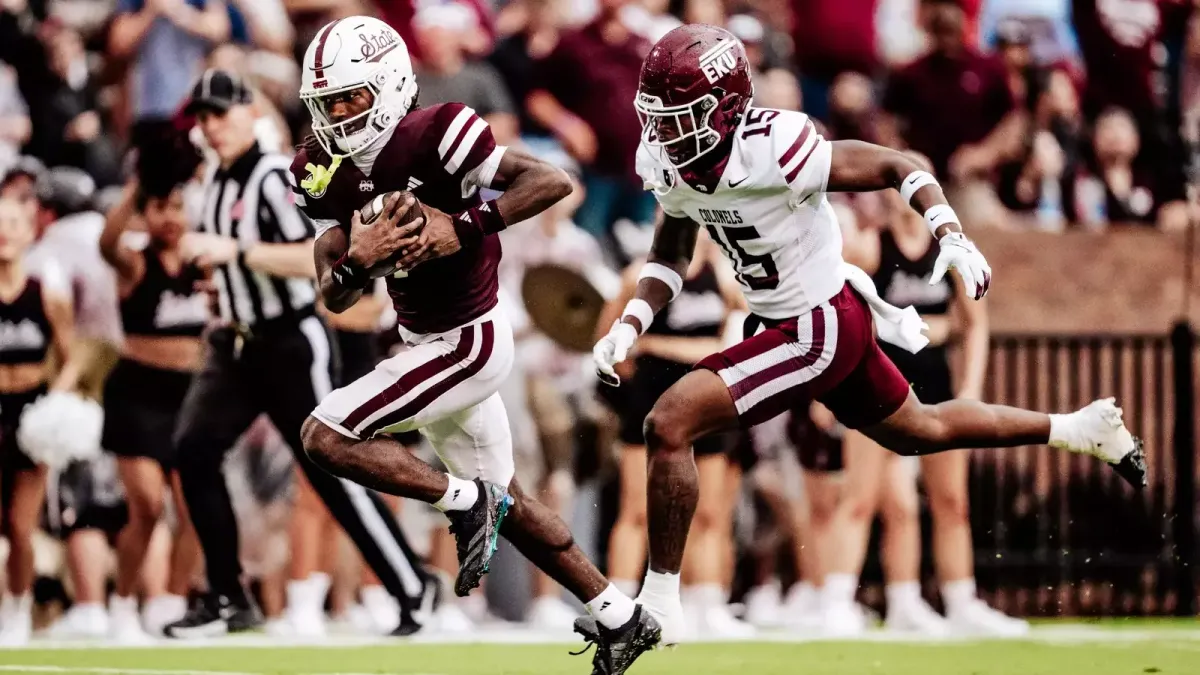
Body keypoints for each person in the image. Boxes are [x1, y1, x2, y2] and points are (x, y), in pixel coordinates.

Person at [590, 24, 1147, 644]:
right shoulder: (672, 162)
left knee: (669, 421)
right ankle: (1077, 428)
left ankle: (661, 605)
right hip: (802, 321)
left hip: (817, 324)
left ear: (724, 108)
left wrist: (951, 234)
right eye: (658, 117)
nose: (665, 132)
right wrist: (632, 322)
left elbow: (894, 164)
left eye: (680, 116)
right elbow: (671, 250)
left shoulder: (775, 145)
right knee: (920, 430)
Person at [293, 17, 660, 673]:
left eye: (351, 98)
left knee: (325, 434)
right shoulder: (319, 166)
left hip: (468, 339)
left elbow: (549, 180)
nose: (339, 115)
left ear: (389, 84)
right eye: (327, 103)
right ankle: (620, 614)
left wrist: (463, 227)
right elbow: (334, 294)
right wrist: (360, 260)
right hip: (423, 338)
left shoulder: (439, 132)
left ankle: (464, 502)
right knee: (510, 500)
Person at [164, 68, 433, 639]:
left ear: (250, 111)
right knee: (191, 452)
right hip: (234, 342)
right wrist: (222, 277)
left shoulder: (272, 176)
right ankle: (228, 596)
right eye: (204, 117)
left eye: (222, 112)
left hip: (289, 341)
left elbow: (312, 260)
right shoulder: (214, 180)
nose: (213, 127)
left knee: (332, 467)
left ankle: (411, 585)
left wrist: (233, 251)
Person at [822, 155, 1028, 637]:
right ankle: (833, 600)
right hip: (877, 381)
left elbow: (974, 324)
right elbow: (841, 308)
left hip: (936, 384)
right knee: (862, 497)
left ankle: (957, 602)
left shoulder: (951, 252)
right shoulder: (872, 247)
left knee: (950, 500)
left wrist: (972, 388)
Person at [602, 233, 752, 638]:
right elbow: (611, 340)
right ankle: (618, 605)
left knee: (710, 511)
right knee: (636, 508)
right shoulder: (640, 275)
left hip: (707, 397)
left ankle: (708, 604)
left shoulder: (723, 275)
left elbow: (746, 327)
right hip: (653, 395)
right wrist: (656, 351)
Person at [98, 138, 209, 641]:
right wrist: (144, 182)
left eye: (179, 209)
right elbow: (107, 241)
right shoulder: (135, 264)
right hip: (137, 395)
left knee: (194, 509)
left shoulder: (202, 262)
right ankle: (123, 600)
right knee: (146, 506)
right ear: (147, 214)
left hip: (188, 396)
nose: (172, 218)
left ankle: (170, 601)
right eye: (162, 209)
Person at [0, 197, 86, 646]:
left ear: (30, 230)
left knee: (20, 526)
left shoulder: (45, 293)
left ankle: (16, 608)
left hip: (30, 417)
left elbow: (70, 360)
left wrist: (55, 401)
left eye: (13, 222)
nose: (5, 233)